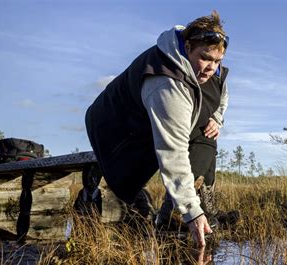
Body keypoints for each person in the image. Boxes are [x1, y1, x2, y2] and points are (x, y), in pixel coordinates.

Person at [85, 11, 230, 247]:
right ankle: (118, 202)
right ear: (188, 45)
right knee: (125, 188)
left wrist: (217, 118)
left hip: (151, 122)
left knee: (208, 134)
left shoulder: (210, 69)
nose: (211, 68)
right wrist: (191, 211)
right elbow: (173, 150)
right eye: (205, 58)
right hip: (115, 129)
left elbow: (222, 94)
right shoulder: (166, 82)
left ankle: (171, 215)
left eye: (217, 61)